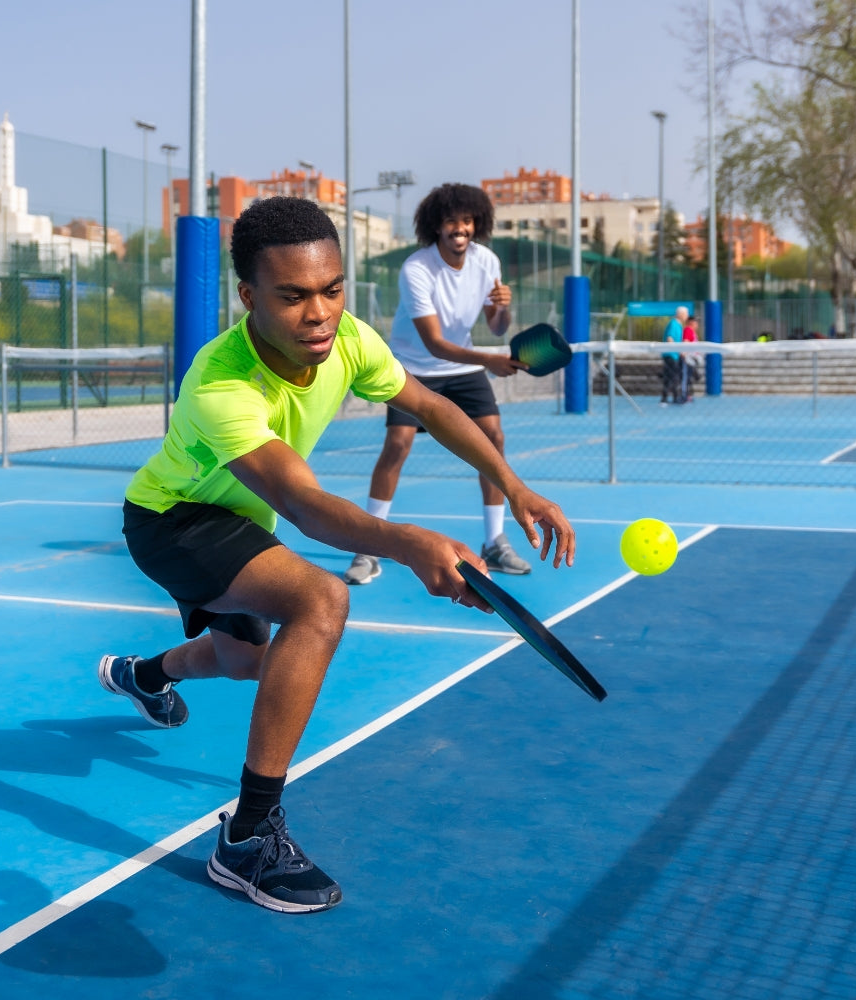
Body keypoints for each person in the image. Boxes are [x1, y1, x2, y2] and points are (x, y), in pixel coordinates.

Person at [98, 197, 575, 915]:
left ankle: (143, 674)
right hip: (173, 522)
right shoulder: (219, 382)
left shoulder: (348, 340)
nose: (318, 313)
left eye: (331, 289)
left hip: (235, 519)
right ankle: (248, 839)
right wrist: (413, 544)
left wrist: (515, 485)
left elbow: (433, 405)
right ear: (248, 297)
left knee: (245, 663)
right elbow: (302, 504)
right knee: (320, 599)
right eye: (292, 297)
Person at [342, 183, 530, 587]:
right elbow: (434, 343)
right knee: (397, 445)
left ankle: (494, 541)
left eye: (466, 220)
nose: (459, 228)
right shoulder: (416, 269)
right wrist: (492, 360)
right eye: (450, 221)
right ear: (436, 227)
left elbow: (496, 326)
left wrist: (502, 309)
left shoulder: (486, 261)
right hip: (414, 367)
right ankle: (369, 547)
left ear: (476, 224)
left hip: (461, 367)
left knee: (493, 437)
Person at [659, 305, 688, 405]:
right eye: (685, 314)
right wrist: (677, 350)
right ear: (681, 314)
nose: (686, 316)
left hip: (674, 354)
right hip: (670, 354)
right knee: (674, 376)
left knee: (670, 376)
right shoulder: (673, 324)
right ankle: (675, 397)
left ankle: (665, 397)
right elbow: (670, 338)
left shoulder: (679, 325)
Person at [680, 313, 699, 403]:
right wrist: (685, 354)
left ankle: (687, 394)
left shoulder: (692, 332)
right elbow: (686, 342)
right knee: (686, 377)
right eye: (696, 322)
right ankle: (684, 395)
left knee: (689, 378)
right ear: (691, 322)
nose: (697, 324)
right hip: (688, 359)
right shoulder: (688, 330)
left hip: (692, 359)